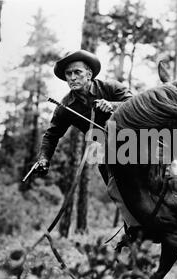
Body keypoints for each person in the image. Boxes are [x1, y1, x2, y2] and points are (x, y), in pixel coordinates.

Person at [34, 49, 140, 229]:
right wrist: (44, 158)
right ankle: (133, 225)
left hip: (136, 138)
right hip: (109, 151)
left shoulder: (109, 87)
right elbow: (51, 134)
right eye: (69, 74)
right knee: (112, 182)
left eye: (77, 72)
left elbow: (136, 104)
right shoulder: (65, 106)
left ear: (89, 74)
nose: (72, 78)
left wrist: (113, 105)